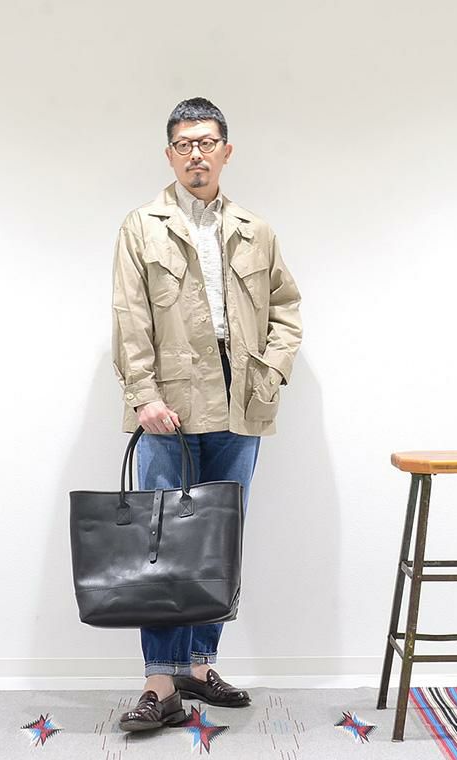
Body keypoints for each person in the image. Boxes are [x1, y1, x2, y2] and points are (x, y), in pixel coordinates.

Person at [111, 97, 303, 732]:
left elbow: (286, 308)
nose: (196, 154)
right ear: (169, 154)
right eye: (184, 144)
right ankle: (159, 682)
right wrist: (144, 396)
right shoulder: (142, 226)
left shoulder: (256, 230)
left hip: (241, 406)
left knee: (217, 542)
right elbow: (130, 318)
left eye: (206, 143)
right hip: (168, 409)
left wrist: (272, 371)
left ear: (226, 151)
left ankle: (199, 665)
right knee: (161, 542)